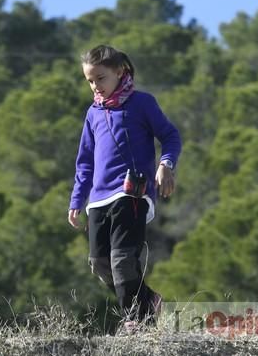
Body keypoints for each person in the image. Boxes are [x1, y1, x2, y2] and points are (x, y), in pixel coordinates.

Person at [68, 44, 182, 331]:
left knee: (122, 260)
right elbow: (85, 162)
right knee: (99, 263)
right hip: (98, 199)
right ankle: (149, 299)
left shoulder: (142, 103)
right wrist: (77, 199)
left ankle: (137, 321)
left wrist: (165, 165)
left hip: (132, 192)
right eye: (90, 81)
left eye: (101, 78)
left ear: (120, 72)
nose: (96, 86)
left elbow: (170, 136)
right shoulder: (92, 114)